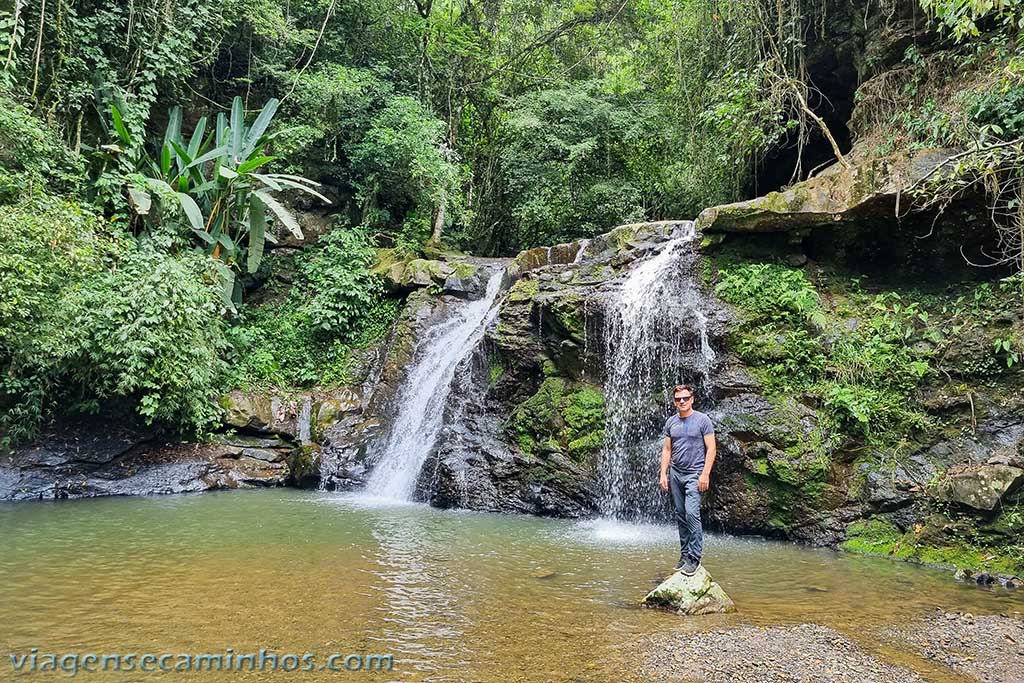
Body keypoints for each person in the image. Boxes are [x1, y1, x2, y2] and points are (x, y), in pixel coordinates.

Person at [658, 384, 716, 576]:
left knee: (692, 514)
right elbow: (667, 450)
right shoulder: (671, 422)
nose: (682, 402)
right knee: (681, 514)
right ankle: (684, 554)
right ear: (674, 402)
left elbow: (711, 448)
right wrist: (663, 474)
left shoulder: (703, 420)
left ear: (692, 399)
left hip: (694, 474)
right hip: (676, 473)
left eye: (685, 398)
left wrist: (705, 473)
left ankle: (694, 557)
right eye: (678, 399)